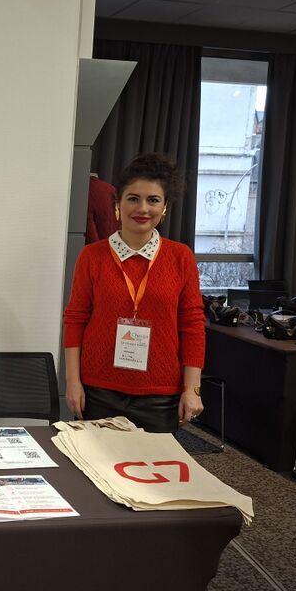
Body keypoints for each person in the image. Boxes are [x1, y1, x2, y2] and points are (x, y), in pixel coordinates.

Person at [63, 153, 205, 433]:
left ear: (164, 207)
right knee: (93, 460)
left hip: (160, 394)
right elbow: (75, 318)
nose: (143, 208)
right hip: (98, 390)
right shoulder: (92, 256)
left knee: (154, 462)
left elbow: (192, 325)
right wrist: (72, 381)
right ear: (118, 203)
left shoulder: (180, 257)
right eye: (133, 198)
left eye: (153, 200)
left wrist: (193, 389)